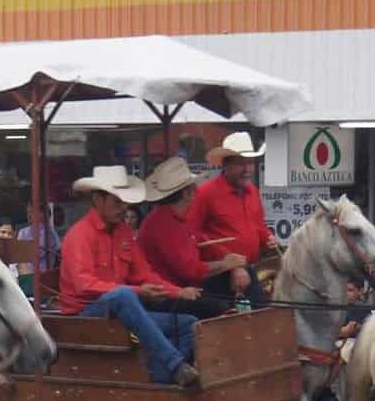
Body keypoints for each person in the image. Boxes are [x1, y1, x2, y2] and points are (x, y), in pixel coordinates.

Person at [61, 165, 201, 387]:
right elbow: (83, 285)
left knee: (190, 325)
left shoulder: (123, 232)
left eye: (124, 202)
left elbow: (144, 273)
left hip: (121, 311)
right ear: (97, 200)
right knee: (123, 295)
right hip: (85, 315)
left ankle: (158, 383)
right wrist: (137, 292)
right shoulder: (79, 235)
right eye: (117, 202)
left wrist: (178, 292)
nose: (123, 208)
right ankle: (176, 365)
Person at [137, 157, 247, 319]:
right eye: (193, 188)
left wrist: (232, 263)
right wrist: (226, 264)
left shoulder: (179, 218)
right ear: (187, 193)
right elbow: (189, 271)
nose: (197, 191)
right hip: (167, 295)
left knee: (245, 274)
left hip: (186, 287)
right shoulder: (163, 223)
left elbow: (204, 241)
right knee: (220, 307)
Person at [186, 132, 276, 305]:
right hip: (218, 274)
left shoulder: (252, 192)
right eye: (240, 164)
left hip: (248, 269)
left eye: (250, 163)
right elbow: (193, 235)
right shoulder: (205, 193)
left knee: (259, 316)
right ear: (225, 165)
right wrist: (230, 262)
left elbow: (258, 225)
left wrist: (267, 237)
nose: (247, 169)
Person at [17, 201, 61, 274]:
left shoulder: (49, 233)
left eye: (32, 212)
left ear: (42, 214)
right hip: (25, 275)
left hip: (43, 276)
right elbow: (19, 255)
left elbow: (37, 253)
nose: (29, 215)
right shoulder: (23, 232)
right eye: (28, 212)